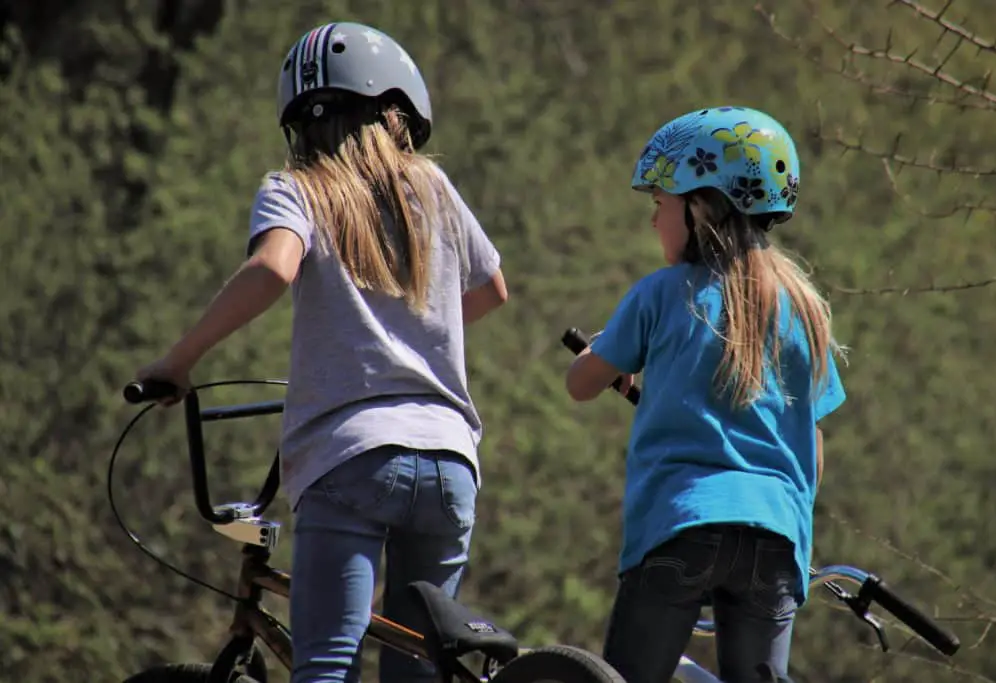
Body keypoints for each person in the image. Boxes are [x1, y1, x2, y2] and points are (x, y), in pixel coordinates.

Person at [134, 21, 508, 683]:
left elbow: (274, 269)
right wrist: (411, 343)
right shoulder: (435, 188)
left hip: (351, 456)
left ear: (297, 126)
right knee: (419, 670)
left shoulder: (295, 188)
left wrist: (179, 360)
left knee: (328, 663)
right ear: (397, 111)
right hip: (451, 459)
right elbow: (490, 290)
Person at [564, 106, 846, 683]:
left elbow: (580, 383)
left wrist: (602, 354)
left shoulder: (660, 294)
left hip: (681, 523)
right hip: (775, 537)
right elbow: (812, 449)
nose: (653, 222)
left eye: (659, 206)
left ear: (698, 208)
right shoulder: (805, 309)